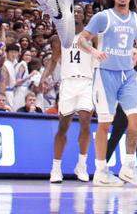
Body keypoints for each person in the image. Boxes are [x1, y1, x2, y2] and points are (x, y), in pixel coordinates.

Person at [75, 0, 137, 186]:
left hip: (128, 75)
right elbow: (82, 39)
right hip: (105, 74)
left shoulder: (136, 20)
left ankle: (128, 167)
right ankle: (100, 171)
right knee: (105, 124)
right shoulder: (103, 17)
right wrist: (94, 51)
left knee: (135, 121)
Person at [48, 11, 95, 184]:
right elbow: (53, 60)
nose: (76, 14)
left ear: (83, 17)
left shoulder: (92, 36)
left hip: (86, 82)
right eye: (73, 11)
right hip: (67, 83)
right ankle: (56, 168)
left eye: (79, 12)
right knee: (63, 126)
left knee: (85, 123)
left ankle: (81, 165)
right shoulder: (60, 37)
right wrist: (44, 78)